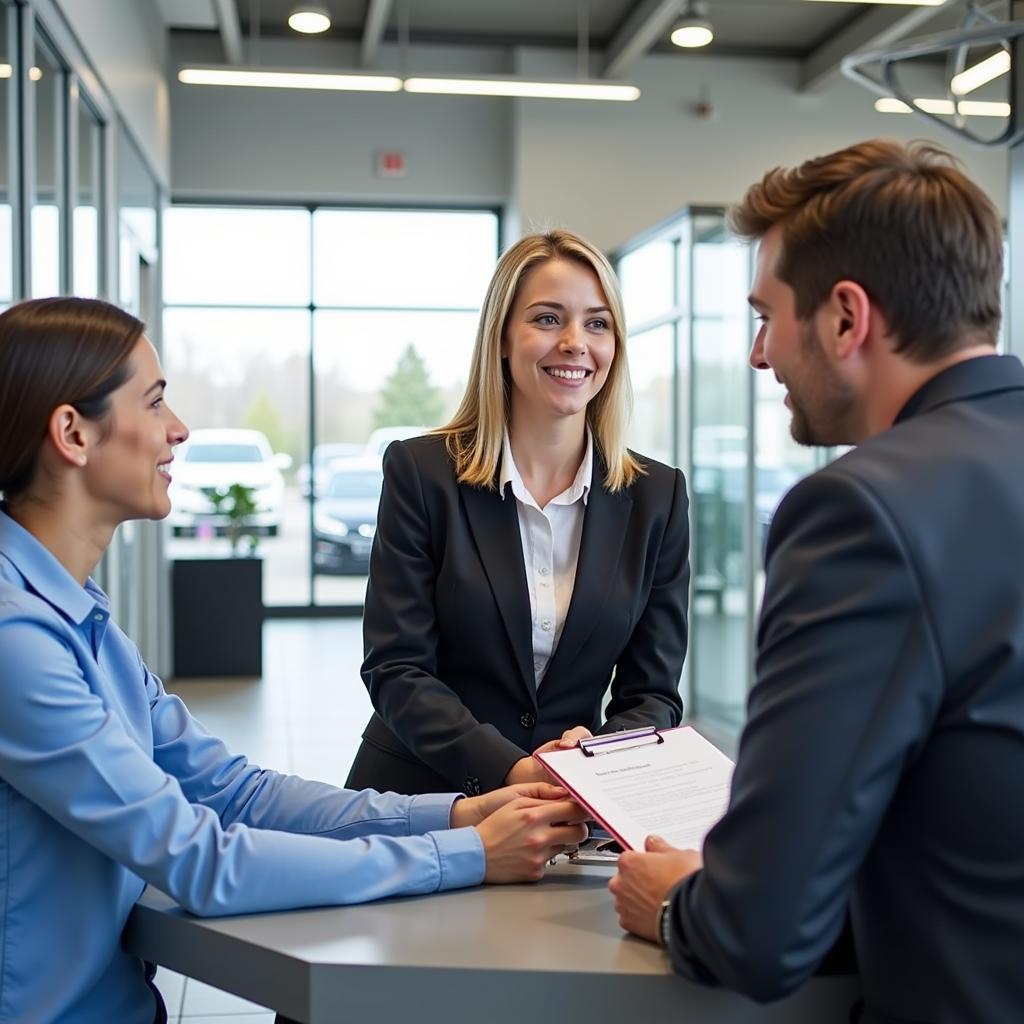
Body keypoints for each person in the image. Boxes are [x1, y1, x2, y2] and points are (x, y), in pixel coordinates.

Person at [0, 297, 589, 1024]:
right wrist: (463, 855)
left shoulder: (81, 619)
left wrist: (463, 815)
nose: (178, 429)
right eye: (154, 403)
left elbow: (236, 793)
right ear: (72, 434)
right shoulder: (16, 640)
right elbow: (198, 859)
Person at [609, 138, 1024, 1024]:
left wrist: (683, 903)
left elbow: (759, 934)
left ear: (846, 318)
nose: (760, 355)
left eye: (767, 316)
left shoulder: (861, 514)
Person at [345, 230, 690, 797]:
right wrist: (514, 770)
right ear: (502, 339)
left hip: (574, 805)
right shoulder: (421, 472)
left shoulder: (657, 496)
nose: (576, 342)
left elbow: (652, 693)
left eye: (597, 323)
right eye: (548, 319)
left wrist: (593, 771)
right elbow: (397, 669)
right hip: (425, 797)